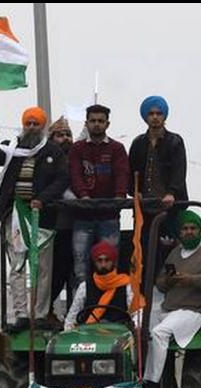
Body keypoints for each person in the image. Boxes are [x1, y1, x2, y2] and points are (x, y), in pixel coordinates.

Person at [0, 107, 69, 331]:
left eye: (35, 124)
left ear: (42, 126)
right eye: (28, 123)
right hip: (15, 216)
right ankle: (21, 314)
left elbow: (62, 179)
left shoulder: (52, 152)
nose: (31, 127)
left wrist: (42, 199)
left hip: (42, 218)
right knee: (17, 266)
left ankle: (39, 314)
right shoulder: (13, 148)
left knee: (42, 268)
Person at [143, 210, 201, 388]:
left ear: (200, 231)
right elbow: (160, 283)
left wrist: (191, 280)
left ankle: (151, 386)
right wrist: (169, 280)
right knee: (139, 327)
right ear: (179, 232)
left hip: (195, 310)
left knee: (159, 333)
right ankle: (135, 378)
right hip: (170, 308)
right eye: (185, 229)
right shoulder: (175, 252)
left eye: (193, 228)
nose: (189, 232)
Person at [68, 104, 129, 294]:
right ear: (86, 123)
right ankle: (81, 309)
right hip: (83, 216)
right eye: (92, 121)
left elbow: (122, 174)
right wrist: (84, 195)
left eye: (100, 121)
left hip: (109, 215)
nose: (96, 125)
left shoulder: (116, 148)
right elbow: (75, 175)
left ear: (107, 124)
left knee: (109, 263)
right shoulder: (77, 149)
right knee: (80, 265)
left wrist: (119, 196)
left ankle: (111, 306)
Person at [129, 96, 188, 257]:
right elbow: (131, 171)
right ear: (145, 117)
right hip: (145, 208)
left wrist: (171, 193)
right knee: (144, 249)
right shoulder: (138, 143)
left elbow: (179, 170)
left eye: (159, 113)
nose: (155, 117)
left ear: (164, 116)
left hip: (169, 207)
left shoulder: (175, 141)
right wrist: (135, 192)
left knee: (170, 250)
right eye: (151, 113)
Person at [64, 241, 133, 331]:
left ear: (113, 262)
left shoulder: (126, 285)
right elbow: (72, 317)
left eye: (107, 260)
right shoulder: (85, 287)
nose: (103, 265)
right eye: (99, 261)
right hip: (89, 334)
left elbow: (136, 314)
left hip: (118, 334)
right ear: (95, 262)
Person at [48, 117, 76, 326]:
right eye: (60, 135)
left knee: (79, 274)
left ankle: (78, 314)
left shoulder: (77, 157)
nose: (65, 138)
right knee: (54, 273)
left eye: (68, 134)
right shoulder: (47, 158)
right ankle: (46, 311)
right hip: (53, 227)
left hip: (78, 225)